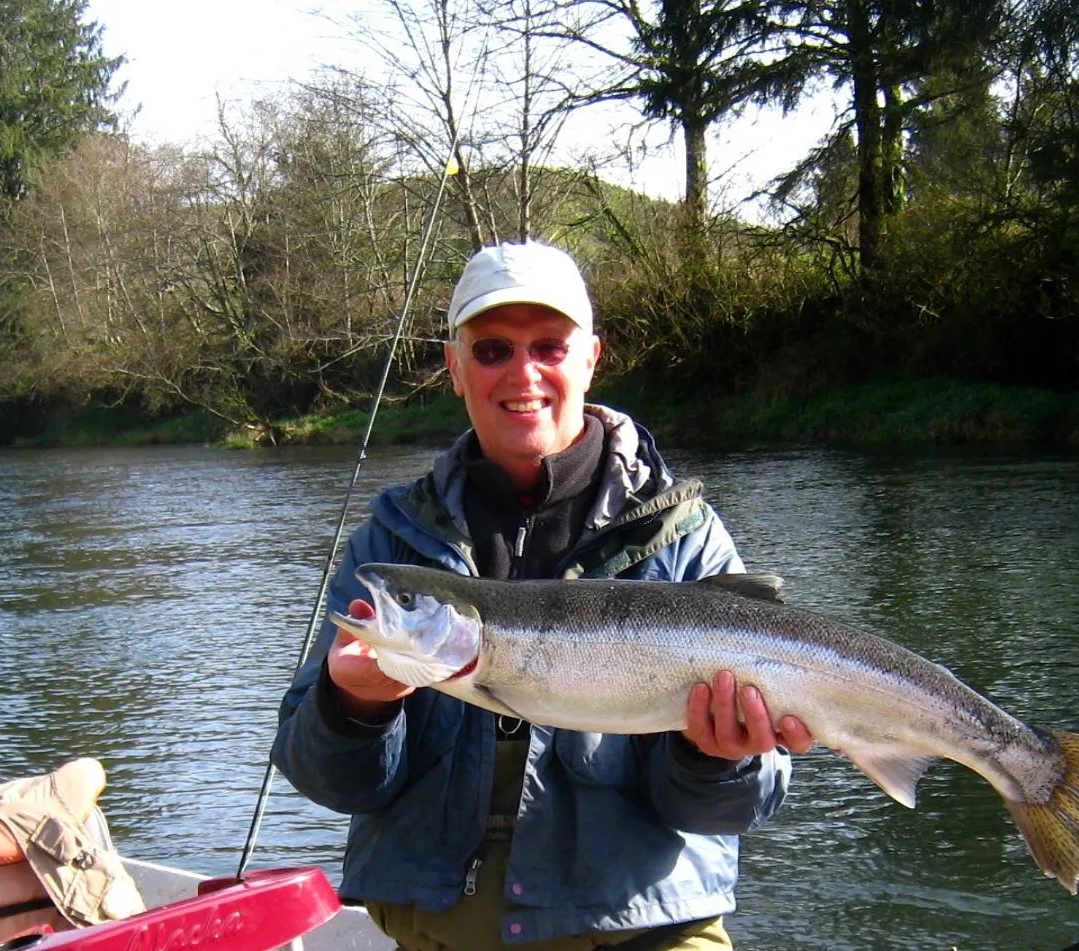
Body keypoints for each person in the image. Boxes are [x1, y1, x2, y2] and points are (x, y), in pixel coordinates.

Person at [272, 241, 813, 950]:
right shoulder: (390, 542)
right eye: (492, 349)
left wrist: (718, 757)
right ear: (455, 367)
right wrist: (354, 707)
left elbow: (737, 807)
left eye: (549, 347)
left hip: (645, 935)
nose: (522, 372)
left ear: (590, 357)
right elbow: (327, 780)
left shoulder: (685, 535)